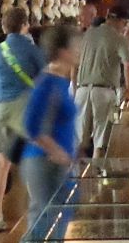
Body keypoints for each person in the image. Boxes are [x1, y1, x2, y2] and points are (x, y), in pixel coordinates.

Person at [19, 25, 82, 230]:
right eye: (76, 46)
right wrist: (57, 151)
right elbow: (30, 125)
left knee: (59, 221)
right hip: (44, 162)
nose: (79, 50)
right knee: (43, 224)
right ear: (63, 51)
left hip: (58, 162)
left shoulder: (60, 80)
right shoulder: (47, 82)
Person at [0, 6, 41, 232]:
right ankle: (36, 214)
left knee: (1, 164)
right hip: (27, 108)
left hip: (1, 109)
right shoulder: (33, 51)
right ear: (25, 25)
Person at [74, 5, 129, 156]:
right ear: (120, 21)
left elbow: (75, 62)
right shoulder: (120, 39)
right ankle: (95, 175)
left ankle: (73, 177)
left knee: (80, 141)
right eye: (125, 23)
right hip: (104, 93)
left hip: (82, 90)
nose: (125, 27)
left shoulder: (88, 34)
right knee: (101, 141)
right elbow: (128, 65)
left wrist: (75, 88)